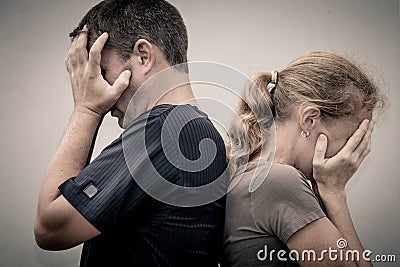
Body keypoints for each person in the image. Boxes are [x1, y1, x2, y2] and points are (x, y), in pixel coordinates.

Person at [34, 1, 227, 266]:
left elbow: (49, 228)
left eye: (103, 71)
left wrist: (87, 109)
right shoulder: (191, 129)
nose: (99, 89)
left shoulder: (165, 132)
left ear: (143, 56)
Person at [223, 52, 385, 266]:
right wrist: (334, 192)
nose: (351, 153)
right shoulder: (278, 181)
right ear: (309, 119)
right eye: (350, 138)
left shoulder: (256, 174)